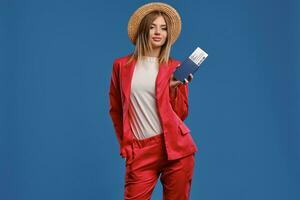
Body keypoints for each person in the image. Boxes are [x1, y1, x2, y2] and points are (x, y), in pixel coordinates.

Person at [109, 2, 198, 200]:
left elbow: (181, 114)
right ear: (143, 30)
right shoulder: (121, 66)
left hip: (176, 147)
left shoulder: (174, 67)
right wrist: (125, 143)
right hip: (140, 150)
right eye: (152, 26)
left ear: (167, 35)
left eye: (163, 28)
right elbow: (116, 109)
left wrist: (174, 89)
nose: (158, 32)